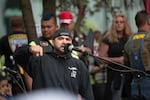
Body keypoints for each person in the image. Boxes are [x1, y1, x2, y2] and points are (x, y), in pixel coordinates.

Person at [14, 28, 94, 100]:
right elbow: (17, 56)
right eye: (60, 39)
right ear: (53, 42)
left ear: (71, 43)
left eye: (67, 39)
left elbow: (87, 94)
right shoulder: (40, 60)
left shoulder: (79, 65)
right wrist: (29, 49)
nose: (64, 42)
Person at [100, 13, 132, 100]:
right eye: (116, 22)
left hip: (129, 74)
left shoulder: (130, 38)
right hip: (114, 74)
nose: (119, 24)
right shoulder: (108, 38)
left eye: (121, 22)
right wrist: (118, 60)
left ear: (125, 24)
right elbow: (101, 58)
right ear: (113, 24)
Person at [124, 10, 150, 100]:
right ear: (148, 22)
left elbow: (126, 69)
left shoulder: (129, 42)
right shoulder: (149, 39)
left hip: (134, 87)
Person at [0, 16, 28, 95]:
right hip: (28, 75)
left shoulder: (4, 39)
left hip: (11, 75)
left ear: (10, 25)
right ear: (23, 25)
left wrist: (2, 77)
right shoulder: (29, 37)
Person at [89, 30, 107, 100]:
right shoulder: (94, 52)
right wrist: (102, 66)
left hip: (108, 82)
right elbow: (91, 70)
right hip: (99, 83)